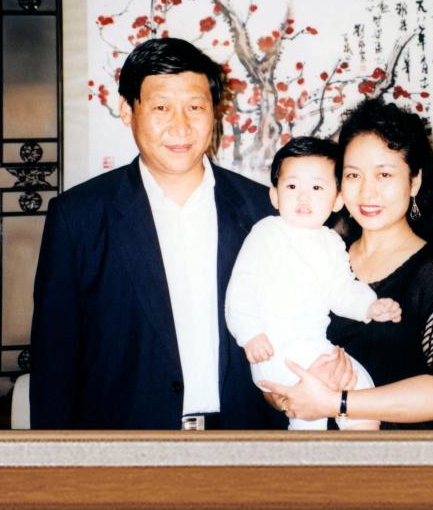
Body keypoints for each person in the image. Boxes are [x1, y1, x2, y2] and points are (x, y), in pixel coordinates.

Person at [30, 37, 301, 429]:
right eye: (161, 107)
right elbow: (54, 360)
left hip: (244, 438)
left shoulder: (264, 210)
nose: (181, 126)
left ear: (214, 112)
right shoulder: (78, 218)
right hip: (127, 443)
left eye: (195, 107)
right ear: (128, 110)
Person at [259, 98, 433, 429]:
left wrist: (337, 403)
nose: (367, 192)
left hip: (400, 457)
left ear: (414, 181)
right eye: (353, 175)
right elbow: (273, 344)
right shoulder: (322, 256)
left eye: (384, 174)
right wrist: (288, 397)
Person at [224, 136, 402, 430]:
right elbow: (241, 288)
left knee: (359, 388)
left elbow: (341, 290)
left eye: (317, 188)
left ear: (337, 200)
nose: (303, 198)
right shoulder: (266, 233)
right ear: (275, 196)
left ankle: (361, 453)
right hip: (274, 349)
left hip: (314, 345)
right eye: (292, 187)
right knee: (323, 398)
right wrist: (250, 333)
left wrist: (370, 306)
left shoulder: (331, 242)